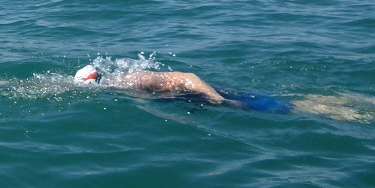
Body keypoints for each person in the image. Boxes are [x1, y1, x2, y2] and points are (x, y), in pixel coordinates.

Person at [74, 65, 294, 113]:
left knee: (269, 106)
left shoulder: (132, 80)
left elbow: (186, 77)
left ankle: (310, 108)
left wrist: (215, 98)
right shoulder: (118, 84)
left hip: (198, 90)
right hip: (188, 94)